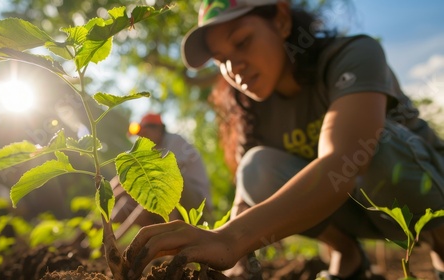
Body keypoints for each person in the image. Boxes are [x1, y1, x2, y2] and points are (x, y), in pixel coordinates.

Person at [124, 0, 444, 279]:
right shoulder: (254, 108)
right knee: (255, 167)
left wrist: (230, 238)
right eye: (221, 60)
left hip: (421, 196)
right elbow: (247, 196)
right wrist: (233, 261)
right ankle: (347, 254)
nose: (234, 68)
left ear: (281, 19)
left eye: (243, 41)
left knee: (372, 145)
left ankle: (441, 245)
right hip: (355, 208)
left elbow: (344, 162)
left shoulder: (353, 54)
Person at [111, 112, 213, 240]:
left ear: (158, 129)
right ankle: (104, 241)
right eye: (141, 137)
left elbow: (164, 176)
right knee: (130, 201)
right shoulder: (154, 149)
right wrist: (110, 195)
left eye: (145, 135)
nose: (143, 140)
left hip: (197, 204)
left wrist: (120, 192)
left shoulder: (174, 141)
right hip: (177, 205)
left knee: (160, 185)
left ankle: (172, 240)